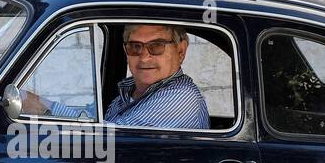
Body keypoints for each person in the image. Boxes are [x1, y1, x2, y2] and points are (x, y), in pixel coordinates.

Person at [23, 23, 209, 129]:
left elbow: (109, 139)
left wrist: (43, 109)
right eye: (135, 47)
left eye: (157, 46)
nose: (144, 57)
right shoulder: (131, 90)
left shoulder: (181, 98)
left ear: (181, 51)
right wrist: (37, 104)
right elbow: (91, 117)